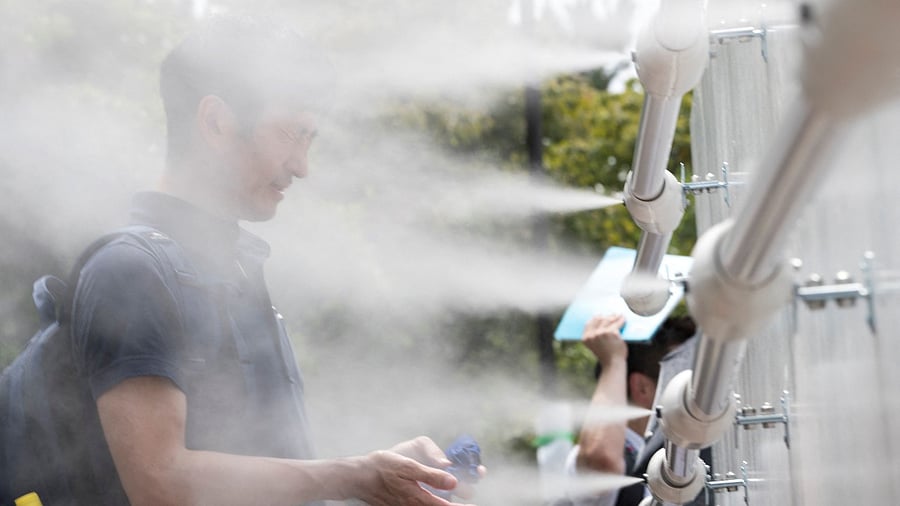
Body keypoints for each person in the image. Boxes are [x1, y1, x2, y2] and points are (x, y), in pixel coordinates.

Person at [29, 15, 482, 506]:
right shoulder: (130, 271)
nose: (302, 166)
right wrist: (351, 476)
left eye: (311, 139)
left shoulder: (232, 268)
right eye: (291, 133)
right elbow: (159, 481)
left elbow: (257, 472)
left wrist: (382, 476)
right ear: (216, 122)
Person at [566, 314, 700, 506]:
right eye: (682, 379)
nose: (698, 392)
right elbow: (602, 462)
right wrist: (613, 361)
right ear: (642, 388)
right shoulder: (596, 456)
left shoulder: (693, 449)